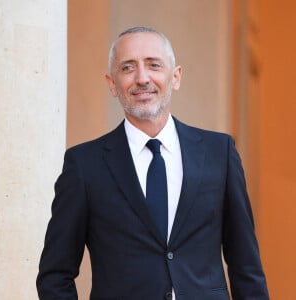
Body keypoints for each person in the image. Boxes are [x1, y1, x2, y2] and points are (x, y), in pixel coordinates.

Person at [37, 26, 269, 300]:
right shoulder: (84, 165)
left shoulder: (220, 153)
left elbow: (246, 266)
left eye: (153, 65)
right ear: (112, 83)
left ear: (176, 77)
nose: (142, 78)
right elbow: (55, 275)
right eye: (127, 68)